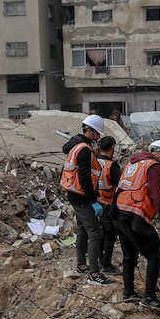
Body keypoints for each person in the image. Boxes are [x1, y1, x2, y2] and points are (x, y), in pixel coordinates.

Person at [115, 139, 160, 305]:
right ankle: (149, 297)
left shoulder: (133, 163)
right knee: (155, 254)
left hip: (120, 213)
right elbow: (157, 194)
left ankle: (128, 292)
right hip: (135, 215)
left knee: (129, 255)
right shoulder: (153, 166)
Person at [60, 115, 111, 285]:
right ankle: (94, 273)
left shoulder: (78, 145)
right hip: (81, 197)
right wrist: (93, 199)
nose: (98, 137)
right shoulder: (84, 149)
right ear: (89, 130)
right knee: (95, 233)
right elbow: (84, 177)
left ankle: (82, 265)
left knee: (82, 229)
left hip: (75, 195)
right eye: (97, 133)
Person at [96, 135, 122, 274]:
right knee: (109, 235)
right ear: (112, 148)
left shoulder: (94, 161)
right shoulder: (112, 166)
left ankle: (99, 261)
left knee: (98, 233)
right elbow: (120, 186)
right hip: (108, 204)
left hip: (95, 202)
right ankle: (106, 265)